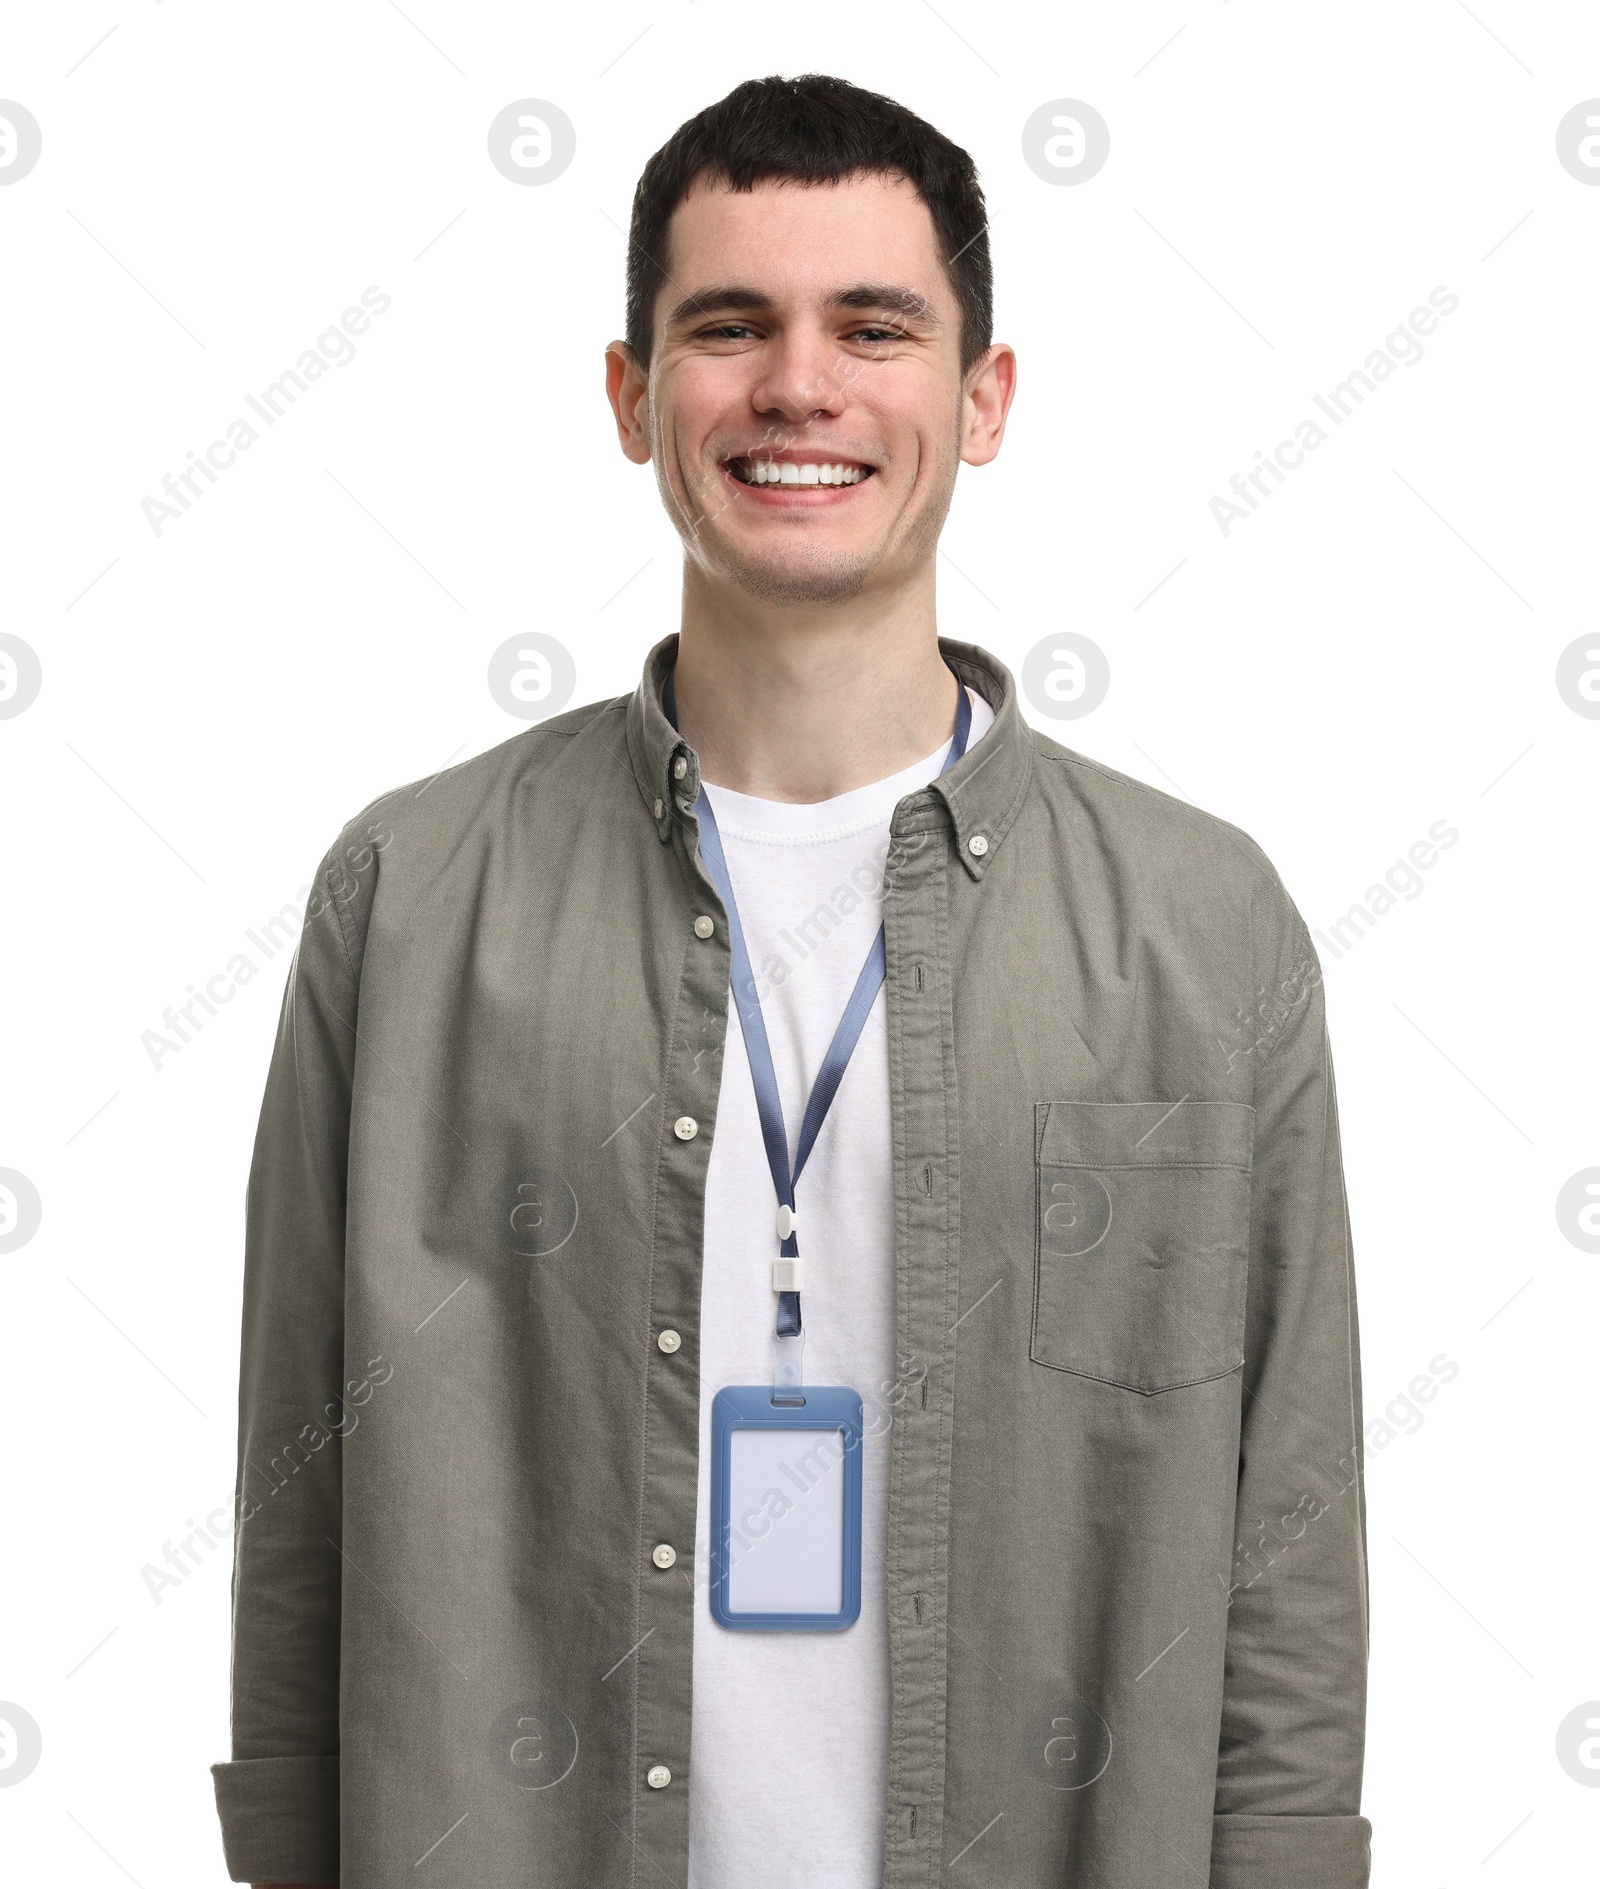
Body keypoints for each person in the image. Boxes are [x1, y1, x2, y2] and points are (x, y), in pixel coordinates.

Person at [213, 72, 1371, 1889]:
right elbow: (299, 1496)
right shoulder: (409, 898)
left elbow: (1283, 1536)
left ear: (984, 400)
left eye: (876, 327)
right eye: (728, 325)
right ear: (630, 394)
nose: (800, 386)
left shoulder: (1201, 928)